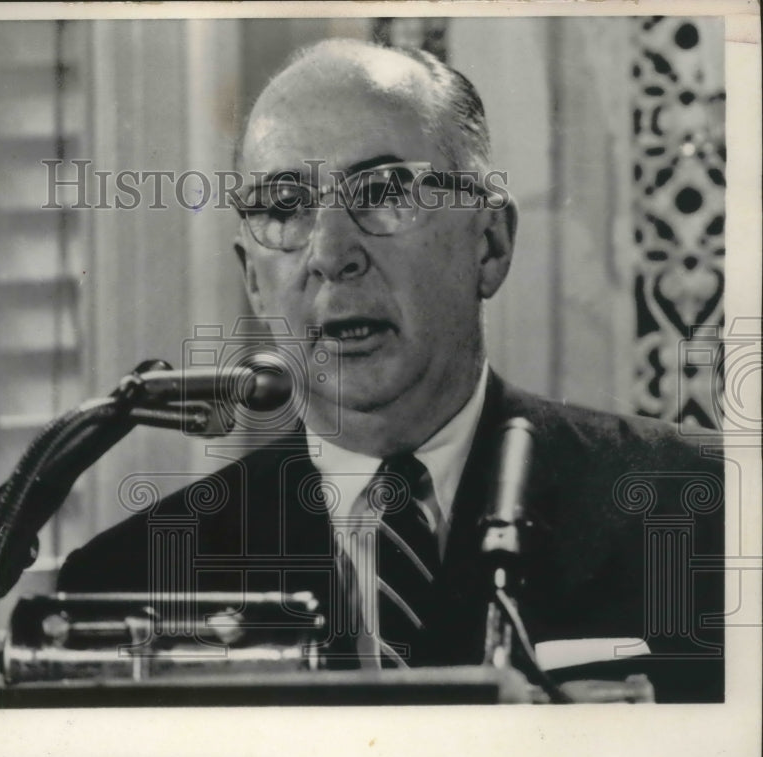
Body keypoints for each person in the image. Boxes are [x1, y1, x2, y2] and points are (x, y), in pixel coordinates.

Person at [58, 39, 724, 701]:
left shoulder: (703, 508)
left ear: (489, 243)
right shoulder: (135, 582)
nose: (331, 254)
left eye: (383, 192)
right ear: (254, 284)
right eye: (286, 207)